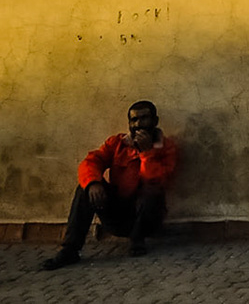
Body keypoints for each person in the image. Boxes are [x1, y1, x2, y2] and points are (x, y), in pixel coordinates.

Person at [40, 100, 178, 270]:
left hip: (147, 220)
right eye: (134, 120)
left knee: (152, 190)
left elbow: (156, 179)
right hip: (118, 214)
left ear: (155, 121)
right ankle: (70, 250)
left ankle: (137, 239)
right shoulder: (117, 143)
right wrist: (93, 183)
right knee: (85, 187)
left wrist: (147, 153)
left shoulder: (166, 147)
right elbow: (91, 161)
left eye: (144, 118)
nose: (138, 124)